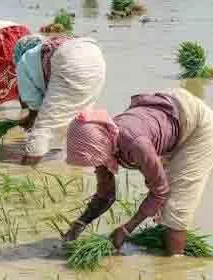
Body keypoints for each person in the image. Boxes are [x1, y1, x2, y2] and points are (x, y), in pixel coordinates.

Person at [63, 88, 213, 256]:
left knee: (175, 210)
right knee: (165, 204)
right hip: (170, 112)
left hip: (196, 126)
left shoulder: (136, 144)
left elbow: (160, 192)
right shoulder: (103, 142)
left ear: (100, 145)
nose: (95, 164)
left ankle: (175, 268)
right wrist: (80, 223)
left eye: (94, 159)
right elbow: (106, 194)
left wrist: (127, 229)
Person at [14, 35, 106, 165]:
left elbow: (35, 106)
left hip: (70, 59)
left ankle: (25, 171)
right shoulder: (45, 49)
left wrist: (30, 121)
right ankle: (79, 165)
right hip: (95, 55)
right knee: (79, 117)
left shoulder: (24, 61)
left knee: (44, 126)